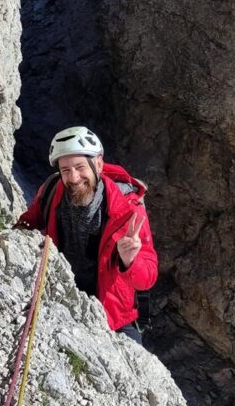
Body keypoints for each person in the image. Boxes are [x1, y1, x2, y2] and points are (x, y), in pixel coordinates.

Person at [16, 126, 157, 344]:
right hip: (67, 299)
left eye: (80, 167)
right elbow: (31, 220)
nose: (73, 177)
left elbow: (147, 278)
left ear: (98, 164)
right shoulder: (51, 190)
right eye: (65, 170)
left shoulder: (128, 209)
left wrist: (130, 261)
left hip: (117, 317)